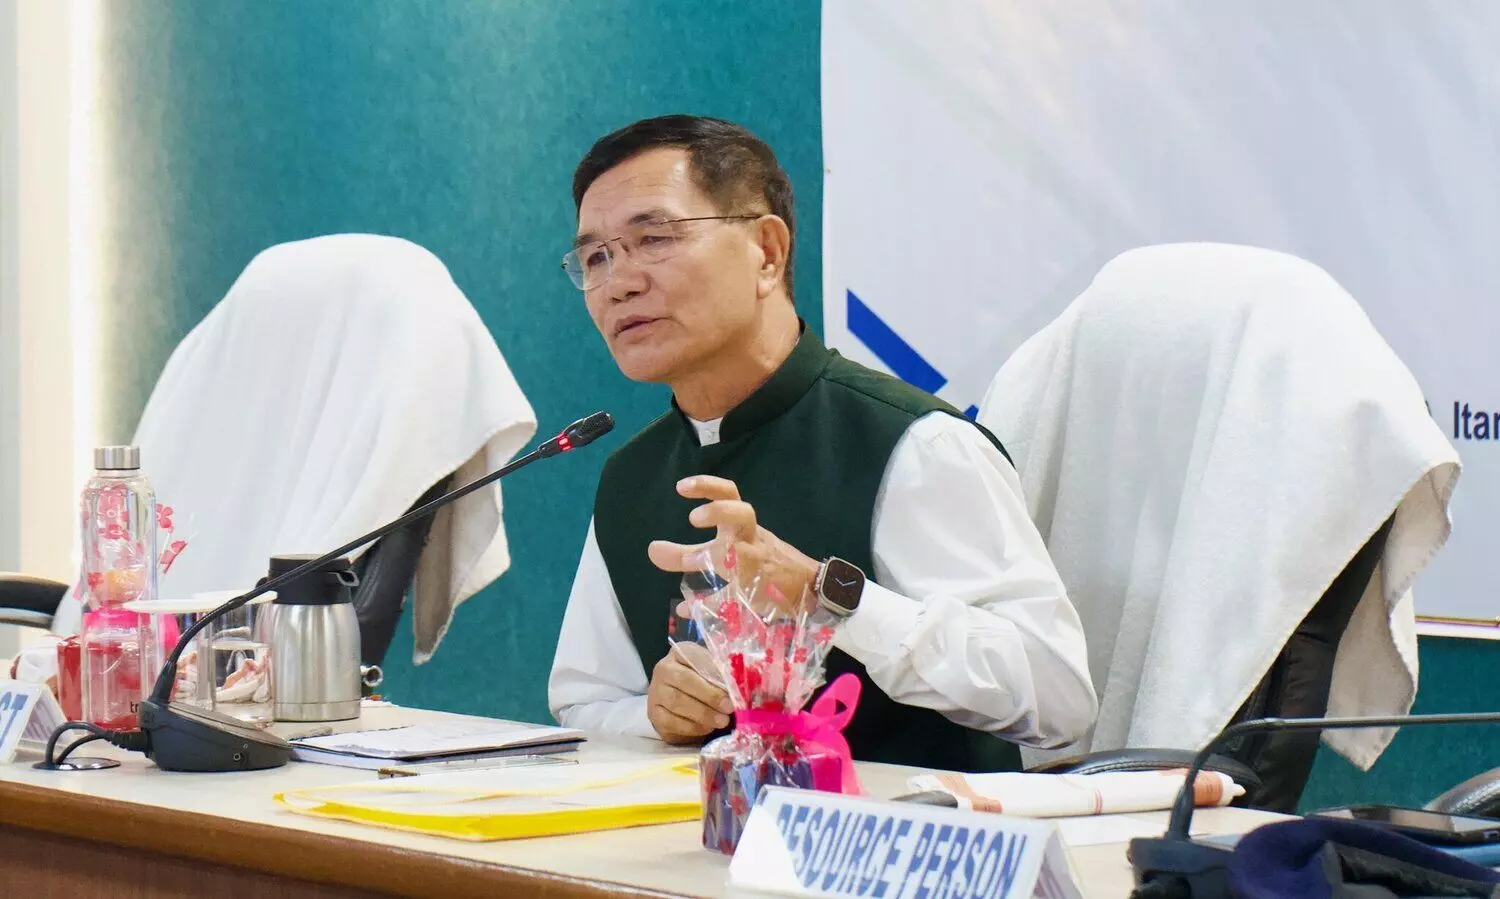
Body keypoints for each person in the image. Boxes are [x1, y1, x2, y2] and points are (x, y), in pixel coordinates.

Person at [547, 114, 1096, 771]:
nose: (619, 282)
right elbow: (584, 701)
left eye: (654, 238)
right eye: (596, 257)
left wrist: (830, 593)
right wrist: (655, 714)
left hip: (913, 832)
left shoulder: (913, 443)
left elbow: (1058, 697)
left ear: (767, 252)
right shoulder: (631, 476)